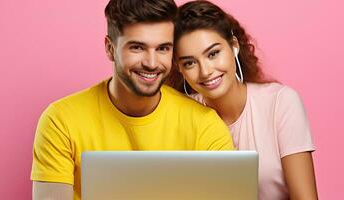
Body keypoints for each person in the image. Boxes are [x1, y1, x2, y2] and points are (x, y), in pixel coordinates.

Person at [30, 0, 235, 199]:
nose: (152, 63)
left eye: (163, 48)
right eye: (137, 47)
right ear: (110, 48)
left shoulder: (204, 125)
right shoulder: (61, 121)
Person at [167, 1, 318, 199]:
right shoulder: (179, 115)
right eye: (189, 62)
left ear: (234, 46)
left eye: (213, 54)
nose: (205, 71)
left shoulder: (280, 103)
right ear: (179, 68)